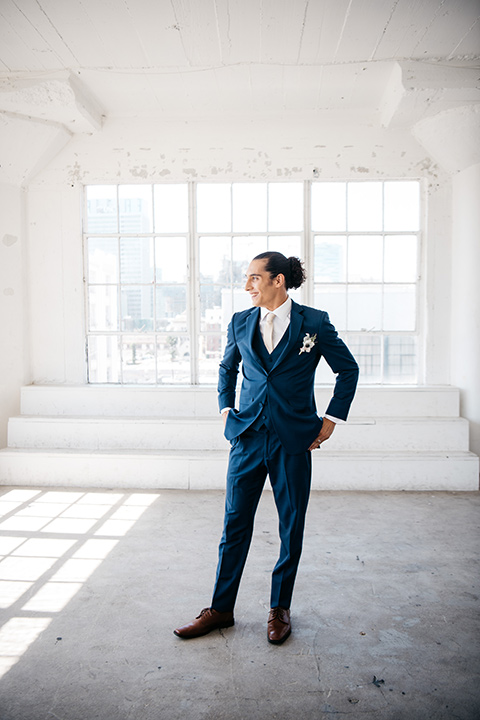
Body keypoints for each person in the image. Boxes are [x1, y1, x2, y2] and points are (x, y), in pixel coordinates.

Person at [174, 251, 359, 644]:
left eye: (254, 278)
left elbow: (348, 369)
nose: (247, 287)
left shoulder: (315, 322)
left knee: (290, 527)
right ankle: (221, 609)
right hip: (247, 436)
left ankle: (279, 608)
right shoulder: (240, 322)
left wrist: (330, 420)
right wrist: (227, 409)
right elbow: (228, 367)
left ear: (277, 280)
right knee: (234, 524)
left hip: (294, 439)